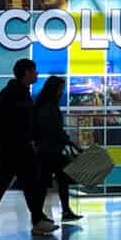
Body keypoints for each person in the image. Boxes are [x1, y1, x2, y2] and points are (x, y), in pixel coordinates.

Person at [0, 59, 58, 237]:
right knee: (3, 184)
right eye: (34, 71)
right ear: (26, 73)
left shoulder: (24, 93)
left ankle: (38, 220)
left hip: (22, 148)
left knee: (32, 184)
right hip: (10, 149)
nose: (37, 74)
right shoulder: (10, 93)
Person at [33, 76, 84, 223]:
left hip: (49, 149)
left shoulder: (44, 104)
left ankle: (59, 212)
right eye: (61, 88)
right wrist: (68, 141)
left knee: (57, 181)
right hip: (50, 150)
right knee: (51, 182)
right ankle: (40, 215)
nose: (62, 92)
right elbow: (53, 128)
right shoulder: (48, 106)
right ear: (54, 89)